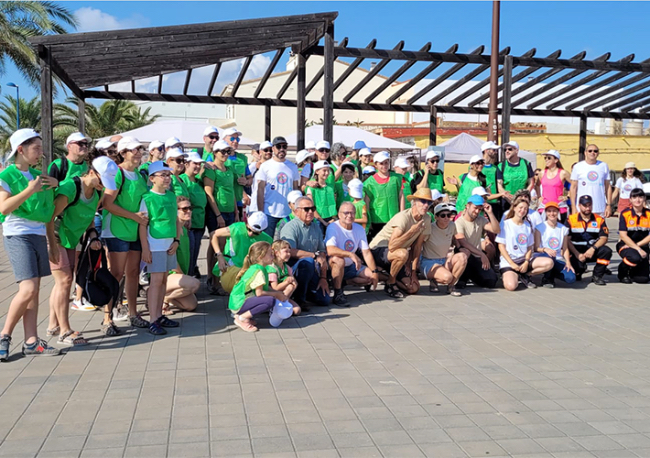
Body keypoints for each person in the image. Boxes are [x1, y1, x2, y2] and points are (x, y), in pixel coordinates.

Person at [0, 129, 60, 360]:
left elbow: (47, 213)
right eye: (36, 148)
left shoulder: (39, 176)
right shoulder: (7, 176)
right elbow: (4, 208)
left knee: (33, 293)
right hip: (17, 234)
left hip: (37, 235)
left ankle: (31, 340)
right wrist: (29, 189)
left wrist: (52, 244)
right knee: (28, 290)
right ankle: (5, 335)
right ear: (20, 149)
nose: (41, 153)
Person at [47, 162, 105, 346]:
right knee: (64, 281)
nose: (105, 183)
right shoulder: (71, 187)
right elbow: (49, 217)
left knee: (63, 282)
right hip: (54, 235)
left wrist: (93, 235)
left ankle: (53, 325)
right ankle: (64, 331)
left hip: (70, 238)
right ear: (92, 171)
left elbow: (90, 221)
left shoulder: (97, 192)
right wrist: (52, 245)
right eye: (103, 178)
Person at [102, 137, 150, 328]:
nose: (137, 152)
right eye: (133, 149)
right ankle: (107, 318)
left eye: (139, 148)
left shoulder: (140, 175)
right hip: (117, 229)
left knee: (132, 273)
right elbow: (107, 204)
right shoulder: (117, 173)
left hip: (135, 229)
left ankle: (133, 313)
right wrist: (134, 216)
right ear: (123, 153)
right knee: (116, 273)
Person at [139, 161, 181, 335]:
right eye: (162, 175)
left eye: (168, 174)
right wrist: (145, 249)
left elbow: (176, 220)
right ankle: (153, 319)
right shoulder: (147, 198)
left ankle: (160, 314)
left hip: (169, 243)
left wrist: (177, 240)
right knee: (155, 282)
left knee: (164, 280)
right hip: (154, 245)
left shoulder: (171, 195)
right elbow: (143, 225)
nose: (167, 178)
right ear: (152, 178)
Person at [368, 188, 434, 298]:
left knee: (413, 288)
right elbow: (392, 245)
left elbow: (417, 247)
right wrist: (412, 231)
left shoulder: (426, 218)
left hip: (396, 253)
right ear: (414, 202)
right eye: (423, 201)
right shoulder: (403, 217)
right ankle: (390, 283)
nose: (426, 205)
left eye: (429, 202)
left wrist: (413, 271)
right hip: (379, 249)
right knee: (402, 254)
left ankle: (384, 277)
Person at [228, 241, 291, 332]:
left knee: (271, 298)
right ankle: (242, 318)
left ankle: (243, 316)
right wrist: (276, 295)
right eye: (270, 255)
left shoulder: (257, 268)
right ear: (261, 257)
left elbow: (264, 287)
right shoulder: (259, 272)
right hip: (239, 304)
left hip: (237, 302)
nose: (273, 257)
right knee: (270, 301)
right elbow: (259, 293)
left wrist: (278, 293)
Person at [279, 197, 330, 308]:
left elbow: (321, 251)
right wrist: (314, 255)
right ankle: (299, 299)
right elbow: (289, 252)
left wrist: (323, 277)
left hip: (312, 268)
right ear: (297, 211)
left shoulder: (316, 226)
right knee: (307, 261)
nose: (311, 212)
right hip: (292, 269)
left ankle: (307, 293)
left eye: (313, 208)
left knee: (324, 300)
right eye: (306, 209)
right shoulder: (290, 227)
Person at [326, 202, 379, 306]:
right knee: (339, 260)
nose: (349, 216)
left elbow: (366, 252)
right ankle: (338, 293)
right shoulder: (333, 227)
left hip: (350, 265)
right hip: (333, 265)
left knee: (370, 277)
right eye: (346, 213)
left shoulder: (359, 229)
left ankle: (344, 282)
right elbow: (330, 250)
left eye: (352, 213)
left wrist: (375, 271)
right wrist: (350, 254)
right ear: (339, 214)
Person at [496, 196, 553, 291]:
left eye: (525, 208)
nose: (522, 210)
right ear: (514, 208)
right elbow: (501, 246)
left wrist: (526, 262)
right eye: (520, 208)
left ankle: (525, 275)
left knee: (549, 263)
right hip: (509, 261)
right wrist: (512, 263)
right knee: (511, 286)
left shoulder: (528, 225)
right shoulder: (506, 224)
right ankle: (513, 274)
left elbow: (530, 246)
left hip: (523, 259)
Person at [211, 212, 273, 293]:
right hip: (231, 265)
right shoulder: (236, 228)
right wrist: (219, 256)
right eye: (249, 229)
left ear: (262, 231)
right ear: (247, 223)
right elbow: (213, 234)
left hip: (249, 270)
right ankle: (217, 285)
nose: (250, 234)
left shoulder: (267, 239)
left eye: (255, 233)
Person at [256, 136, 300, 238]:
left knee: (285, 242)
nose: (281, 149)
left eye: (284, 146)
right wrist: (260, 211)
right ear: (273, 148)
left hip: (287, 212)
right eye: (278, 146)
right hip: (269, 212)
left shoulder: (292, 166)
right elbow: (260, 189)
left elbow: (295, 189)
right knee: (267, 241)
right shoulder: (265, 166)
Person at [163, 196, 200, 315]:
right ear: (176, 210)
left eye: (190, 208)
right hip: (168, 274)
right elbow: (169, 257)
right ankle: (161, 299)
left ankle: (166, 297)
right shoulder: (172, 229)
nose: (188, 211)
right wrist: (181, 274)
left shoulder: (184, 229)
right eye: (184, 209)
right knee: (194, 284)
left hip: (179, 275)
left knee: (191, 305)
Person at [421, 203, 468, 296]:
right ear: (436, 217)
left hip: (444, 259)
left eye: (449, 215)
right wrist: (413, 268)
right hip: (429, 261)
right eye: (443, 215)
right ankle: (434, 279)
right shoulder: (429, 228)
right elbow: (418, 245)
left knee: (463, 256)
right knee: (447, 277)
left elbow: (454, 239)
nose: (447, 218)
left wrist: (461, 248)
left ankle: (451, 286)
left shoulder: (452, 225)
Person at [455, 195, 500, 289]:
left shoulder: (481, 219)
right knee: (465, 254)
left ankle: (472, 275)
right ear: (467, 206)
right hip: (465, 254)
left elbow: (496, 230)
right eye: (475, 208)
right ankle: (462, 277)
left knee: (491, 281)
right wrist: (482, 254)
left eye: (480, 209)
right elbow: (463, 242)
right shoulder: (459, 222)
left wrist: (490, 213)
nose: (477, 211)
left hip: (476, 256)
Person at [566, 195, 612, 286]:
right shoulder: (571, 219)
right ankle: (579, 271)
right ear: (579, 206)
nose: (588, 208)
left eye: (590, 205)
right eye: (585, 205)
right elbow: (566, 240)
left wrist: (593, 248)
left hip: (592, 250)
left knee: (606, 251)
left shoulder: (599, 219)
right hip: (576, 252)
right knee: (575, 277)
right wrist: (577, 254)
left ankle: (597, 276)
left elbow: (604, 238)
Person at [534, 201, 576, 288]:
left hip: (557, 258)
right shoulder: (540, 227)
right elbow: (536, 247)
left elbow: (565, 248)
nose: (552, 213)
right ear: (546, 213)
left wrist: (568, 262)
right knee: (551, 255)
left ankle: (553, 273)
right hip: (543, 256)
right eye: (549, 211)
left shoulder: (563, 229)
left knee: (571, 278)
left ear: (558, 212)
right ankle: (547, 279)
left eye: (554, 211)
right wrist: (545, 249)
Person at [364, 151, 404, 238]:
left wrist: (402, 216)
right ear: (376, 165)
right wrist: (368, 221)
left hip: (394, 219)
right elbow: (366, 203)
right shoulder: (369, 183)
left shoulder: (396, 178)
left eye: (386, 163)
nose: (384, 166)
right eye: (381, 163)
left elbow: (401, 197)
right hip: (377, 220)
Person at [181, 152, 207, 278]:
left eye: (199, 164)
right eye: (194, 163)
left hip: (200, 223)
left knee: (194, 254)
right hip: (189, 224)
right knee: (188, 256)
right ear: (186, 164)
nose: (197, 166)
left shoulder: (198, 181)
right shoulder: (182, 180)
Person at [617, 188, 650, 284]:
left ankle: (632, 271)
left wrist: (638, 246)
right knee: (635, 257)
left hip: (642, 246)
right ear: (630, 200)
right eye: (634, 197)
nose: (637, 200)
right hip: (625, 245)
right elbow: (623, 236)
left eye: (640, 196)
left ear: (644, 198)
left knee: (642, 279)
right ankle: (622, 272)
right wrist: (637, 248)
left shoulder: (649, 214)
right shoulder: (625, 214)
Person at [570, 144, 612, 218]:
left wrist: (608, 205)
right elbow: (573, 187)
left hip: (599, 208)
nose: (592, 153)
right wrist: (573, 207)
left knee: (600, 229)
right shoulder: (577, 167)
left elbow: (608, 187)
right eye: (590, 151)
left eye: (595, 151)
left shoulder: (604, 166)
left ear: (598, 153)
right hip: (582, 208)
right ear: (585, 153)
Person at [496, 140, 534, 214]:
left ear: (516, 150)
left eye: (510, 149)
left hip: (523, 201)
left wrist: (523, 197)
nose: (507, 151)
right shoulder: (501, 166)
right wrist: (510, 199)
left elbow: (531, 182)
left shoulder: (526, 164)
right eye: (505, 150)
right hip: (507, 202)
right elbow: (499, 186)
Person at [223, 127, 251, 220]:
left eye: (237, 139)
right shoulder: (215, 156)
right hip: (222, 202)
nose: (235, 141)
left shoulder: (242, 158)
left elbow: (250, 179)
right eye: (232, 138)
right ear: (224, 140)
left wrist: (246, 182)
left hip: (238, 202)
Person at [538, 150, 570, 223]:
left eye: (549, 158)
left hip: (559, 208)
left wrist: (567, 196)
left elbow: (575, 185)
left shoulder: (563, 173)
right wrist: (539, 196)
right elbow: (537, 185)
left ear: (556, 160)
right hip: (545, 208)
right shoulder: (542, 173)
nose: (546, 159)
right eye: (545, 158)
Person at [306, 160, 337, 233]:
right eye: (324, 170)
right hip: (318, 220)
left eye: (328, 171)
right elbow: (312, 207)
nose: (327, 173)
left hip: (331, 219)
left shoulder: (330, 187)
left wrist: (334, 218)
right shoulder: (311, 188)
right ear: (317, 171)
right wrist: (323, 222)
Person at [267, 240, 299, 311]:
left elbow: (295, 284)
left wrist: (293, 281)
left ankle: (282, 304)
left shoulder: (286, 267)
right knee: (290, 286)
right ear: (277, 253)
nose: (289, 254)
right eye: (286, 252)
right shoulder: (272, 268)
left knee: (297, 310)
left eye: (289, 252)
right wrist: (287, 282)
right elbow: (275, 288)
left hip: (283, 294)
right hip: (272, 295)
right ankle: (275, 307)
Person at [247, 141, 273, 213]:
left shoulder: (274, 166)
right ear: (260, 152)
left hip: (271, 206)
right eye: (266, 150)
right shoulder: (253, 166)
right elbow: (245, 180)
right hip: (255, 206)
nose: (269, 152)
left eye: (271, 150)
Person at [480, 141, 502, 220]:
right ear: (486, 151)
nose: (495, 152)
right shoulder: (477, 166)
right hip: (482, 202)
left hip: (495, 203)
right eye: (493, 150)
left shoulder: (495, 168)